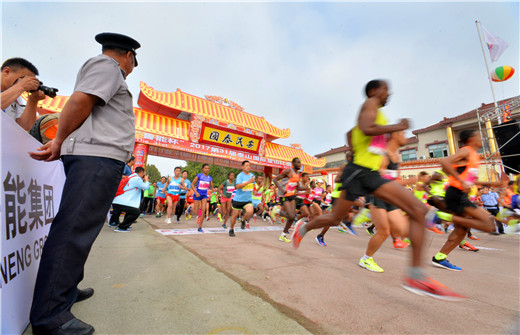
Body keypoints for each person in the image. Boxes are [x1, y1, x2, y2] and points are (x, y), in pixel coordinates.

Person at [292, 79, 463, 300]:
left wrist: (355, 150)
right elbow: (364, 128)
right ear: (374, 91)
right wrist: (397, 127)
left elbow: (352, 132)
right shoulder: (371, 102)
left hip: (367, 173)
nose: (388, 93)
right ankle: (303, 229)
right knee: (335, 218)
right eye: (385, 89)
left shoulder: (377, 114)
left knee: (416, 211)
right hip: (360, 172)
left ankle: (416, 276)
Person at [28, 32, 141, 334]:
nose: (132, 68)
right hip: (96, 159)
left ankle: (63, 294)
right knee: (73, 231)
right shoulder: (108, 67)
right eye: (134, 62)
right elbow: (80, 101)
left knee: (82, 231)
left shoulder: (108, 70)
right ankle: (50, 316)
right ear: (128, 55)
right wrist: (59, 141)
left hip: (101, 159)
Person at [431, 130, 507, 272]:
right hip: (456, 194)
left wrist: (492, 184)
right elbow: (444, 161)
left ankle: (440, 257)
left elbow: (470, 179)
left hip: (460, 194)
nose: (482, 138)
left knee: (461, 231)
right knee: (489, 225)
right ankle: (443, 217)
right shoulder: (466, 151)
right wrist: (460, 181)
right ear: (471, 139)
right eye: (479, 136)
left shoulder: (474, 156)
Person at [1, 57, 46, 131]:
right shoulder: (17, 90)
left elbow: (25, 128)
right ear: (6, 71)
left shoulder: (17, 99)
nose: (28, 83)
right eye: (24, 79)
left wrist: (33, 101)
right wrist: (20, 86)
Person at [110, 167, 150, 231]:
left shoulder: (131, 176)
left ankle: (125, 226)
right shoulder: (137, 179)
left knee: (131, 211)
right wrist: (147, 181)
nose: (144, 175)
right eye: (144, 173)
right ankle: (121, 227)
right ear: (142, 172)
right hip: (121, 202)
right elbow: (146, 187)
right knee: (136, 212)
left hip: (119, 201)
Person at [273, 157, 303, 243]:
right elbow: (275, 180)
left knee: (292, 217)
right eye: (297, 162)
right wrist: (281, 189)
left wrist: (305, 188)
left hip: (291, 195)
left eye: (300, 162)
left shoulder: (298, 174)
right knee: (291, 216)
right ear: (293, 164)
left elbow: (297, 186)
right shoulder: (288, 171)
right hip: (284, 195)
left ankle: (283, 235)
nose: (299, 164)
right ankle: (277, 210)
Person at [229, 161, 255, 237]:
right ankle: (231, 229)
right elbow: (237, 186)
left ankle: (243, 220)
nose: (248, 167)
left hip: (247, 199)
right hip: (238, 199)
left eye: (249, 165)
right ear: (242, 167)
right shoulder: (240, 176)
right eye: (246, 165)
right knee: (234, 216)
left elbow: (253, 185)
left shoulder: (252, 175)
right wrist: (248, 182)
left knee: (250, 211)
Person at [191, 164, 214, 232]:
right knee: (196, 212)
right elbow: (192, 184)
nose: (207, 169)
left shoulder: (210, 178)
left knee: (203, 210)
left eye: (208, 168)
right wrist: (196, 192)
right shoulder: (199, 176)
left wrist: (211, 192)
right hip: (197, 194)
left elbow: (212, 188)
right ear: (202, 169)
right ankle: (189, 209)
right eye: (206, 168)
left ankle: (200, 227)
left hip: (204, 195)